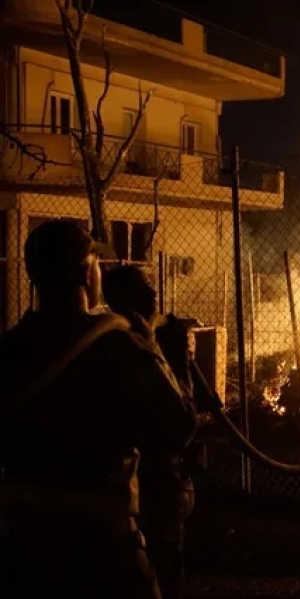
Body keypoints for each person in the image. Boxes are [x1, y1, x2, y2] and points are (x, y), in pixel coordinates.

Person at [0, 220, 197, 598]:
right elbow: (179, 427)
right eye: (96, 263)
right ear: (84, 273)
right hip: (104, 547)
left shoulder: (11, 349)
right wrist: (157, 349)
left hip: (27, 546)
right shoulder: (120, 347)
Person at [102, 264, 222, 599]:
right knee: (160, 563)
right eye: (143, 287)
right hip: (152, 477)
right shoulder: (131, 344)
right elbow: (182, 419)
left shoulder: (144, 336)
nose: (154, 293)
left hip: (152, 477)